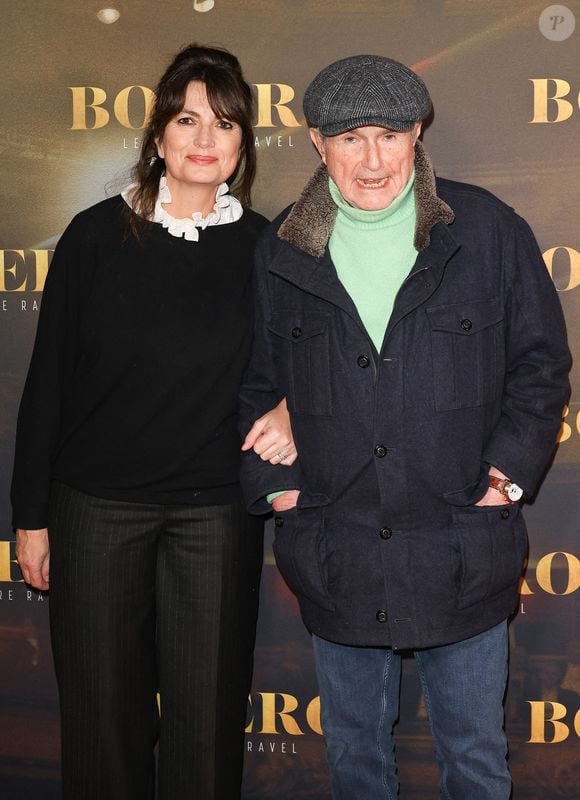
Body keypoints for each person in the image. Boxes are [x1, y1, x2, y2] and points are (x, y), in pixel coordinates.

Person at [239, 54, 570, 799]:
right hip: (339, 550)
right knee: (356, 765)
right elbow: (254, 385)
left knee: (475, 763)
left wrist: (504, 482)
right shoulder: (281, 253)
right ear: (316, 142)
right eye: (350, 137)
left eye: (389, 134)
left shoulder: (486, 231)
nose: (372, 158)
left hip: (463, 544)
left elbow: (541, 365)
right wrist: (285, 495)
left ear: (418, 133)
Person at [11, 44, 296, 800]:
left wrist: (292, 407)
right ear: (159, 135)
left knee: (207, 730)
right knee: (103, 727)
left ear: (243, 146)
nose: (207, 139)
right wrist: (31, 518)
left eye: (226, 124)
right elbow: (47, 385)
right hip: (95, 511)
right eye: (188, 119)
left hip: (214, 516)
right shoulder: (94, 236)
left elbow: (304, 363)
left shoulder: (266, 247)